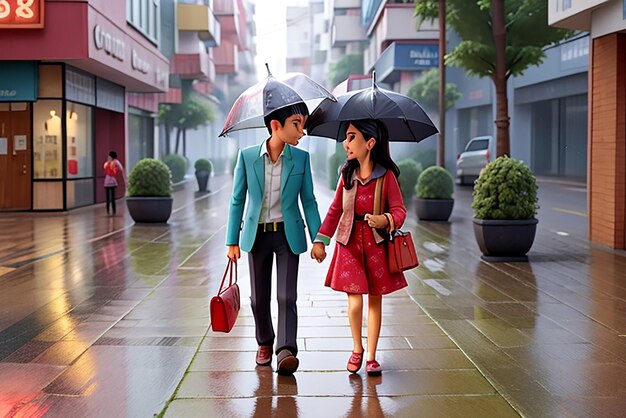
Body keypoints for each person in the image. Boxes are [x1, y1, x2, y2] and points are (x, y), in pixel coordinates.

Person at [226, 102, 326, 376]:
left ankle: (286, 350)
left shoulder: (301, 159)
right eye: (297, 123)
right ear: (275, 126)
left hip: (287, 235)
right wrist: (231, 240)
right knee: (258, 299)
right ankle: (264, 342)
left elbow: (309, 201)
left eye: (303, 123)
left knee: (286, 296)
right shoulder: (247, 157)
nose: (302, 131)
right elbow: (237, 200)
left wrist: (319, 239)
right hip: (256, 235)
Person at [310, 119, 407, 376]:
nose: (346, 143)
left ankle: (372, 357)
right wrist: (321, 240)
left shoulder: (386, 177)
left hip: (376, 246)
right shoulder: (347, 176)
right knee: (354, 302)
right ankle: (356, 347)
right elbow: (335, 210)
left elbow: (399, 210)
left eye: (352, 137)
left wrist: (385, 219)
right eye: (346, 137)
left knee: (375, 301)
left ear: (370, 143)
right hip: (350, 243)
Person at [103, 151, 126, 215]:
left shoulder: (115, 163)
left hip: (112, 181)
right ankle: (108, 210)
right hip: (108, 181)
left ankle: (113, 210)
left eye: (109, 156)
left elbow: (119, 170)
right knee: (108, 197)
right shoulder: (108, 163)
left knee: (112, 197)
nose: (108, 157)